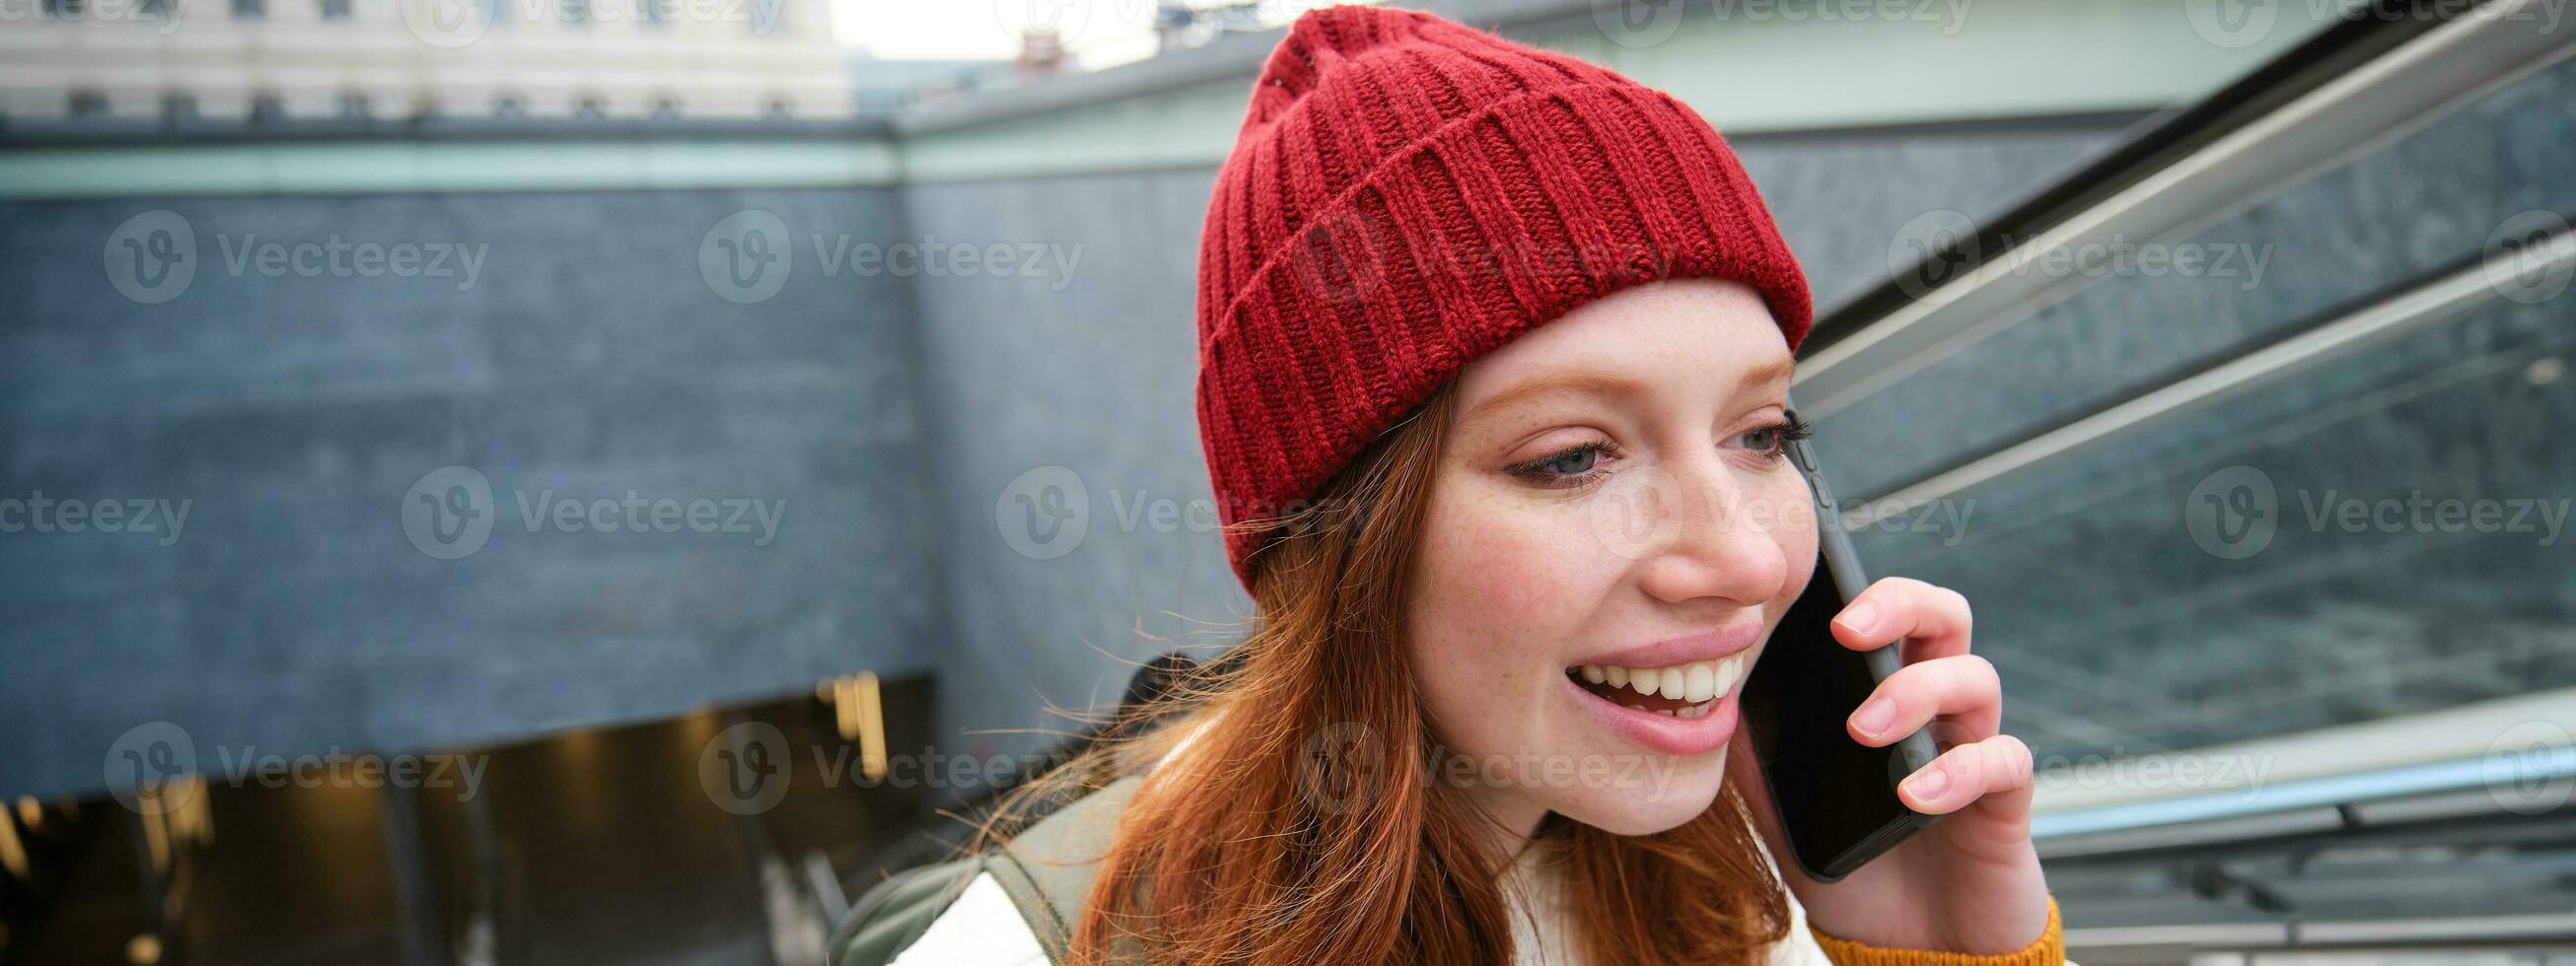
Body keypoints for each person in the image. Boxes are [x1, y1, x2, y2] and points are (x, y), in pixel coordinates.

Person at [840, 5, 2063, 963]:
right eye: (1571, 457)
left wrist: (1921, 952)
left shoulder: (1735, 870)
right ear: (1339, 544)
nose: (1746, 559)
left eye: (1760, 432)